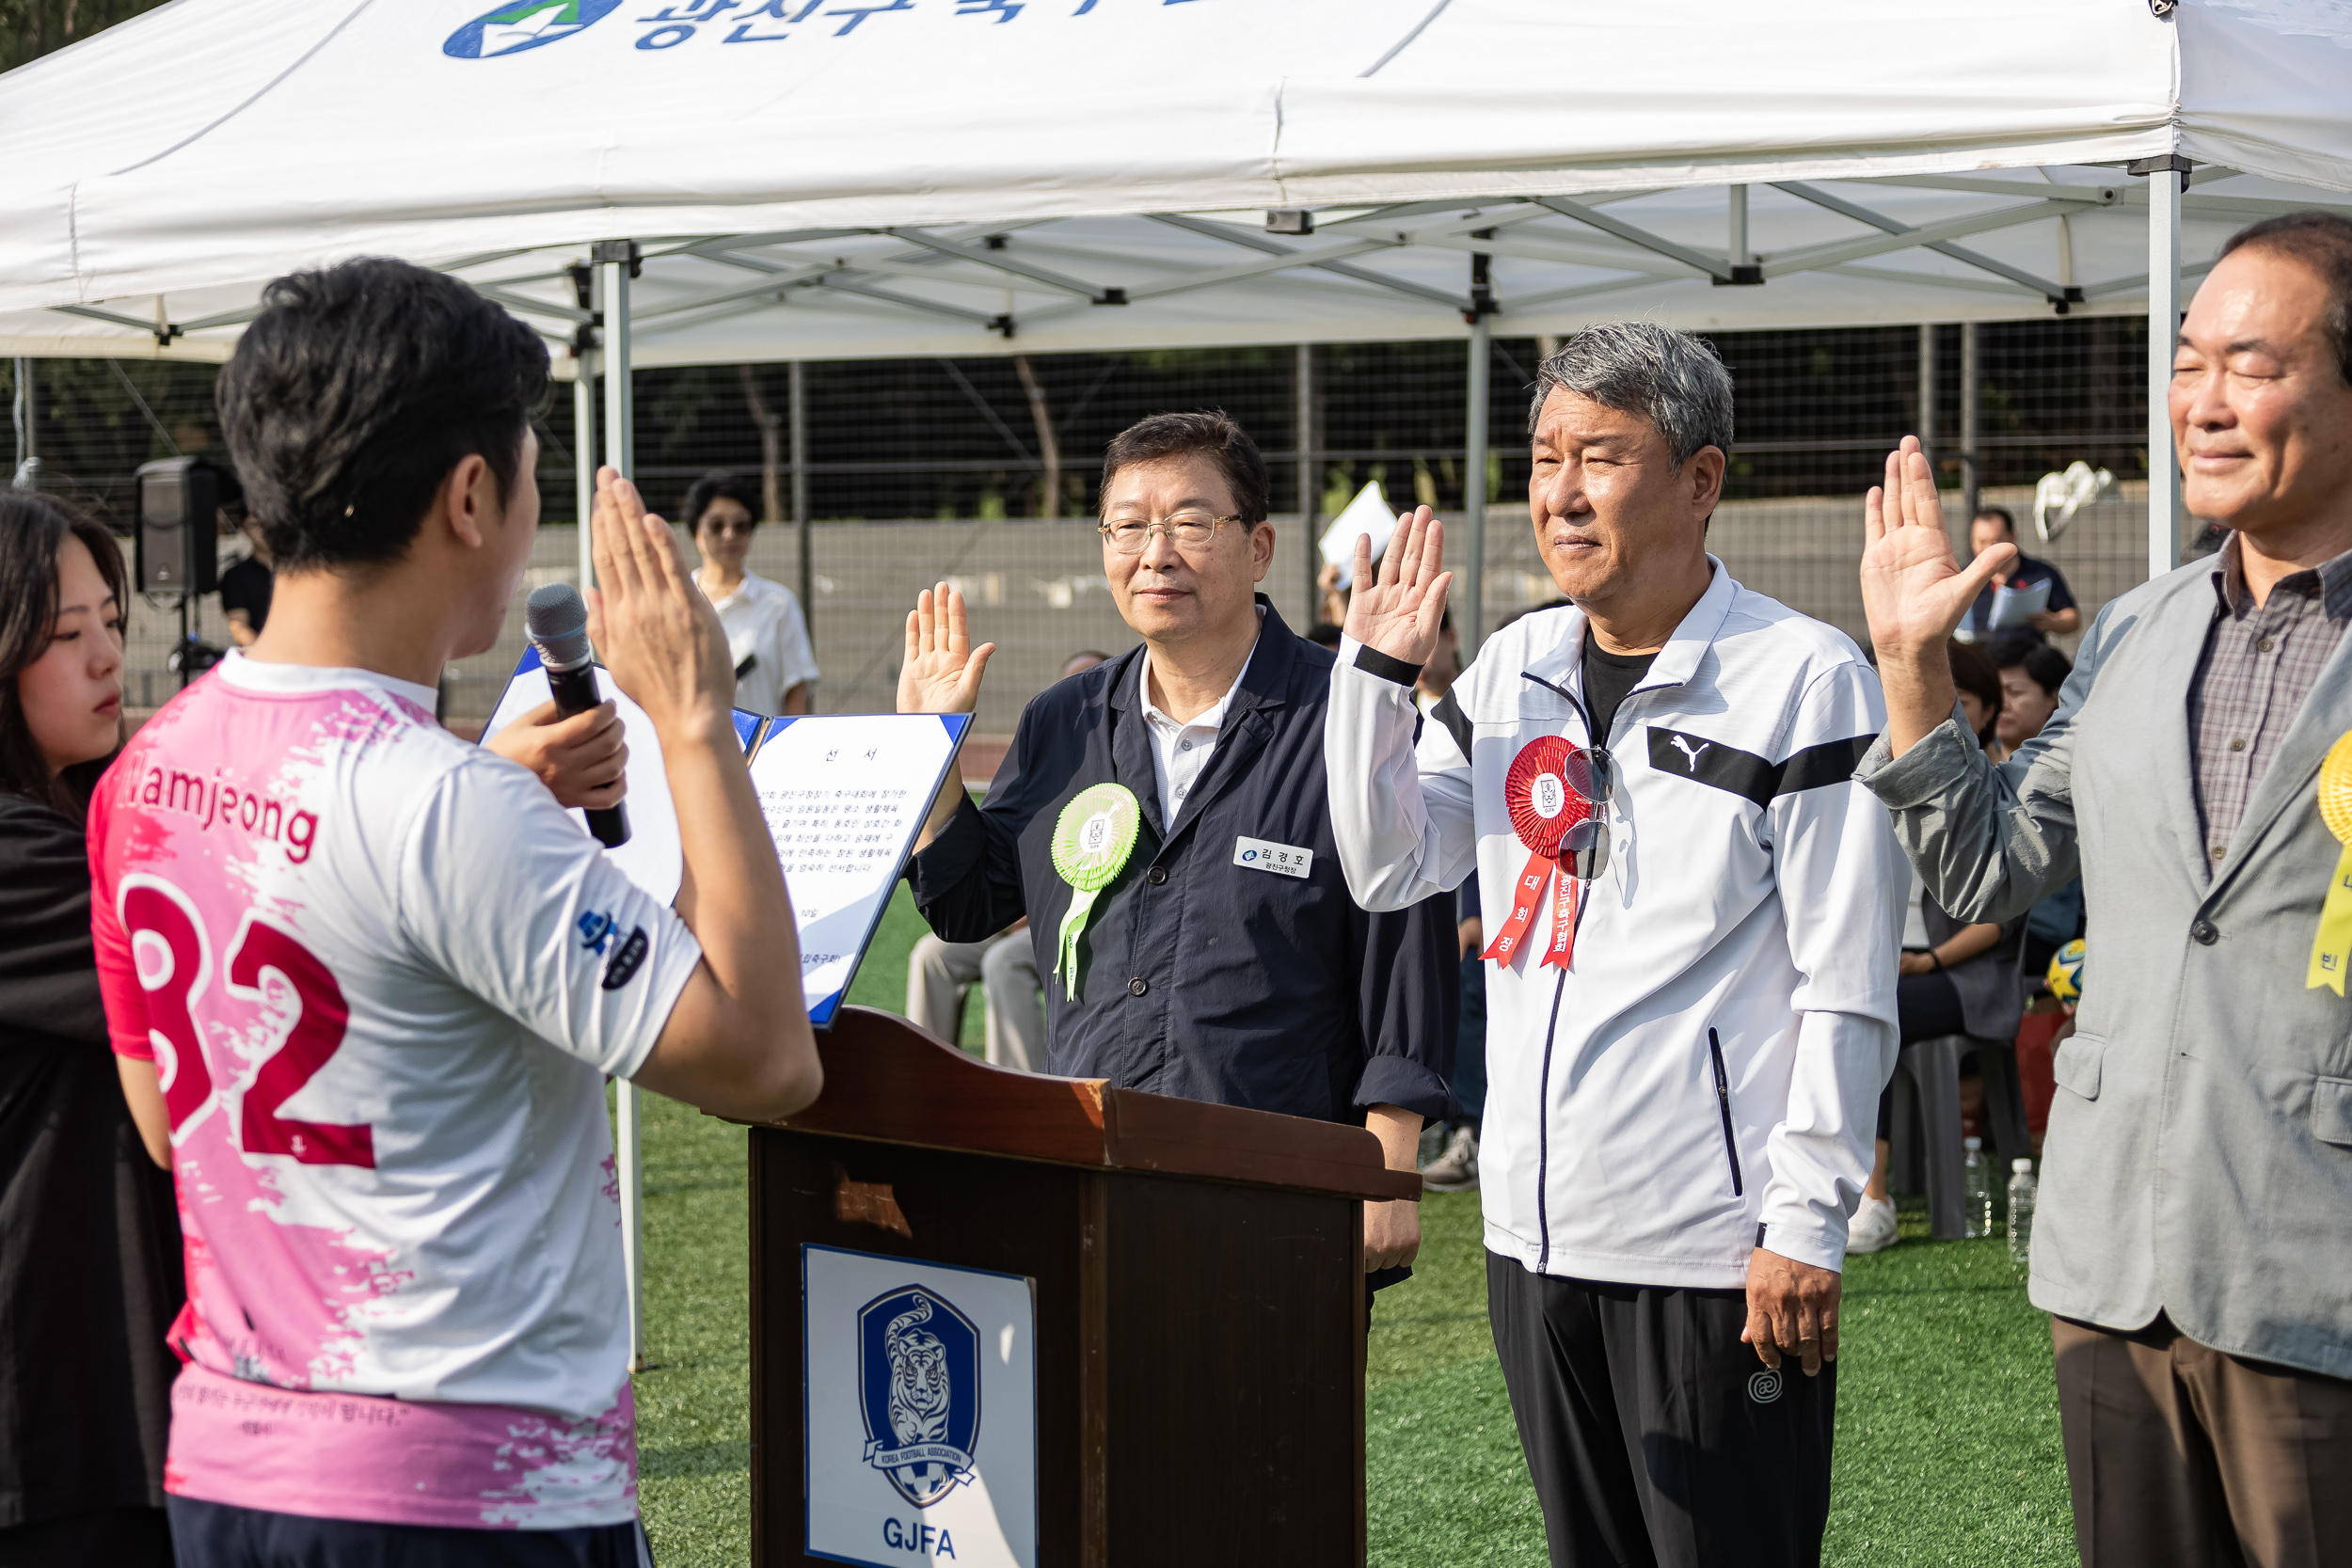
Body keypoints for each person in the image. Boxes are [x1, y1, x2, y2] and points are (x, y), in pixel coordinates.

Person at [87, 258, 823, 1566]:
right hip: (467, 1488)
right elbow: (766, 1058)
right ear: (470, 495)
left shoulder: (146, 764)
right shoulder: (444, 805)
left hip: (230, 1461)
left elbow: (161, 1120)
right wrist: (697, 722)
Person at [1327, 322, 1902, 1568]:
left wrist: (1805, 1219)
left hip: (1711, 1252)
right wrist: (1371, 675)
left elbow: (1847, 977)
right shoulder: (1512, 663)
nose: (1562, 491)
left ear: (1701, 480)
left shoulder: (1804, 678)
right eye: (1544, 457)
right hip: (1532, 1241)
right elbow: (1388, 863)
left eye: (1602, 454)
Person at [1856, 212, 2352, 1567]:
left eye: (2250, 365)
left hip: (2320, 1270)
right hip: (2114, 1259)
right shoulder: (2140, 626)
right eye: (2189, 362)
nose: (2201, 401)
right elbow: (1986, 867)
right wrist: (1913, 671)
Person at [898, 410, 1454, 1284]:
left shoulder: (1349, 713)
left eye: (1191, 523)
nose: (1155, 553)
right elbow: (969, 903)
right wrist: (929, 761)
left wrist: (1389, 1156)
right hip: (1091, 1170)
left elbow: (1404, 932)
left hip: (1280, 1180)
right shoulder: (1065, 721)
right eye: (1128, 526)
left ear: (1260, 545)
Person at [0, 495, 181, 1567]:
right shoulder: (23, 857)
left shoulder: (76, 817)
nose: (110, 654)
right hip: (50, 1420)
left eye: (112, 620)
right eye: (68, 635)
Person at [906, 651, 1108, 1072]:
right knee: (932, 954)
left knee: (1005, 964)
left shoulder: (1120, 770)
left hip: (1068, 923)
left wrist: (1034, 908)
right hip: (1010, 916)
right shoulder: (1046, 759)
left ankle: (1017, 1095)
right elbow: (996, 852)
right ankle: (923, 1083)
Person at [682, 469, 819, 717]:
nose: (729, 534)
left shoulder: (778, 603)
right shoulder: (675, 602)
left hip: (760, 751)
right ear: (696, 531)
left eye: (741, 525)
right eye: (716, 525)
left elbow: (797, 690)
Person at [1955, 504, 2080, 643]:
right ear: (1972, 542)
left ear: (2013, 537)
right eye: (1981, 542)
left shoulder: (2040, 573)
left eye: (1995, 541)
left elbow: (2072, 618)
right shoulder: (1962, 578)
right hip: (1977, 658)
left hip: (2026, 656)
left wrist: (2052, 622)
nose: (1988, 549)